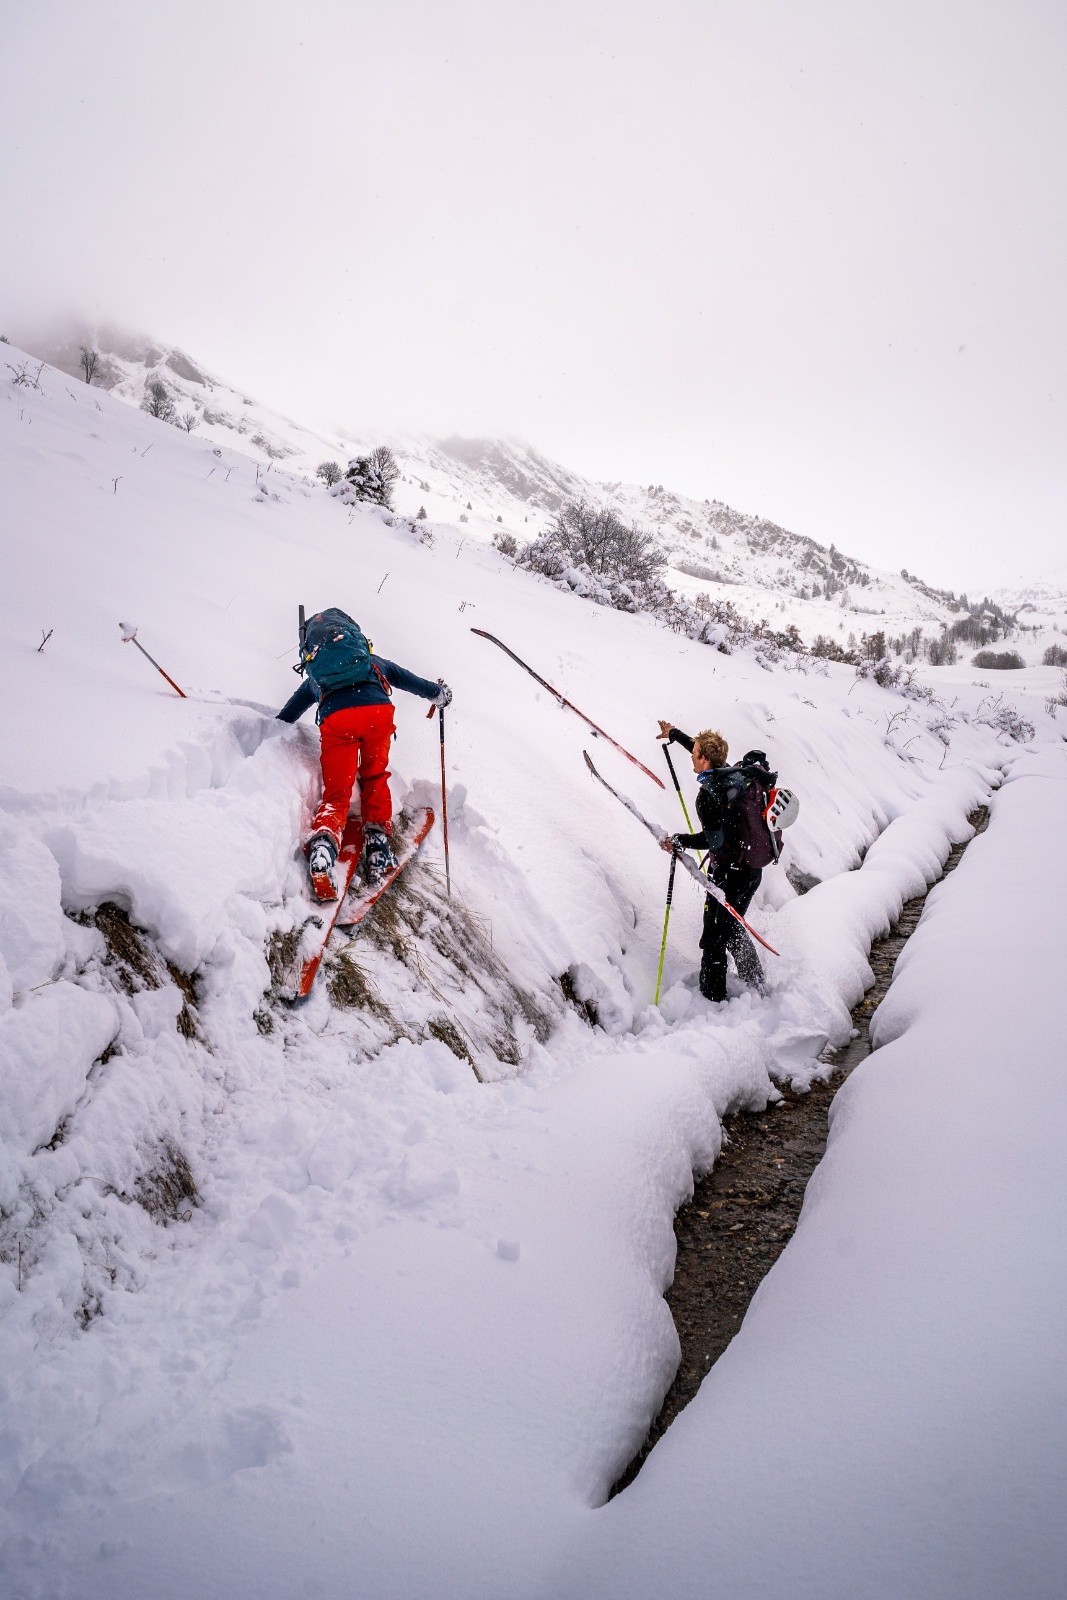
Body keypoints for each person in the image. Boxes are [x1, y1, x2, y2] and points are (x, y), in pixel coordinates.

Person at [278, 608, 450, 895]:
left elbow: (289, 714)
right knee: (374, 776)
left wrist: (269, 728)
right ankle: (377, 846)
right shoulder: (371, 663)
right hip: (377, 714)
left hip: (338, 719)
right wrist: (438, 693)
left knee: (337, 793)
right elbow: (408, 680)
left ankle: (323, 845)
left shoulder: (317, 677)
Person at [656, 720, 767, 1003]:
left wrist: (680, 841)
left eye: (695, 754)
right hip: (752, 870)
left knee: (714, 938)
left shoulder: (709, 795)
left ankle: (712, 1000)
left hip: (730, 875)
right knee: (731, 927)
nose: (692, 757)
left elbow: (714, 840)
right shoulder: (732, 775)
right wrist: (674, 734)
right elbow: (700, 749)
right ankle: (756, 984)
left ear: (705, 760)